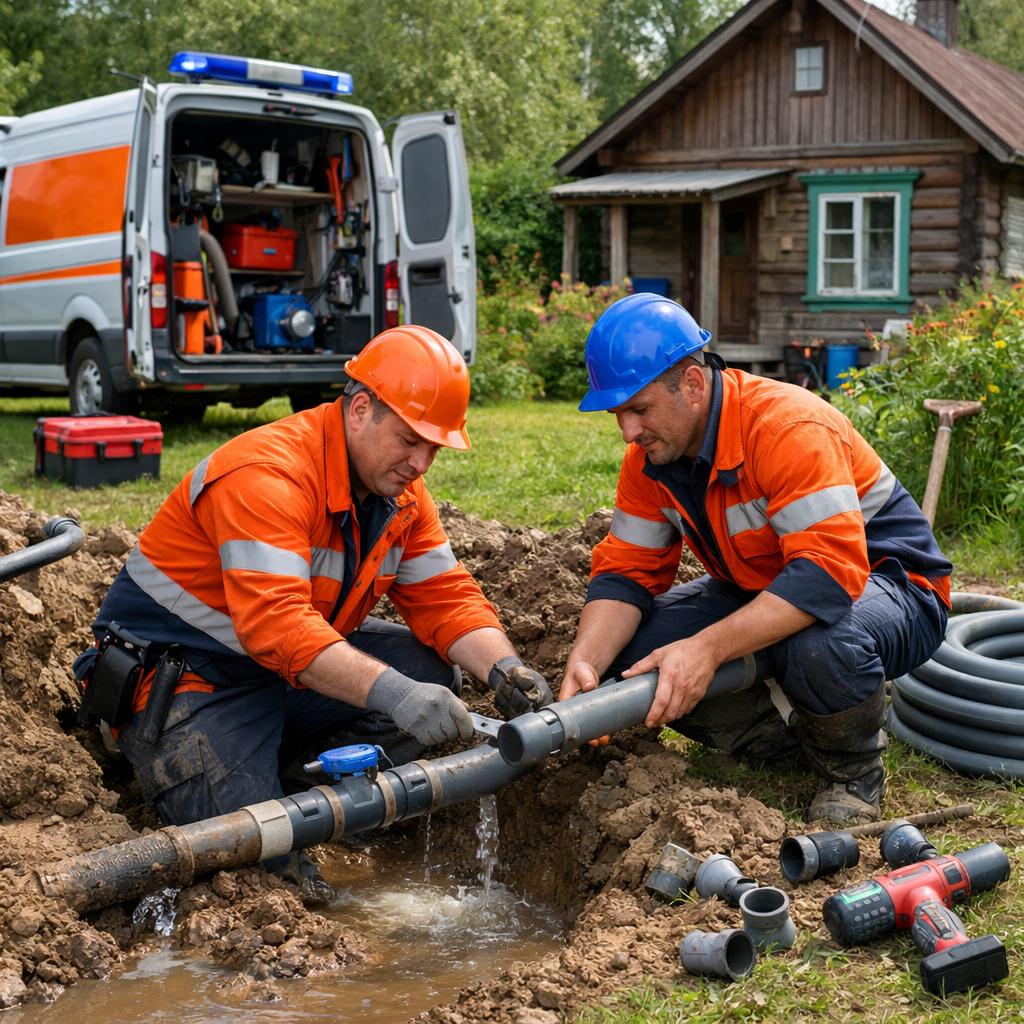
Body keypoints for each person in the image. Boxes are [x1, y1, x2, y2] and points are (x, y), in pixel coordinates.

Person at [75, 326, 552, 895]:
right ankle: (223, 775)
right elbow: (277, 625)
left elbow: (445, 595)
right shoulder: (267, 475)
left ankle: (293, 780)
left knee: (429, 670)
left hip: (284, 667)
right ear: (359, 410)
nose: (421, 462)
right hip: (190, 679)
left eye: (434, 448)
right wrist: (393, 693)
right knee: (264, 860)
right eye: (409, 439)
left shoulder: (398, 494)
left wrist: (504, 668)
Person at [560, 293, 951, 823]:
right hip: (763, 586)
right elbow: (626, 575)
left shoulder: (787, 428)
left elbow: (826, 580)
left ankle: (851, 772)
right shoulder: (651, 459)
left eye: (639, 408)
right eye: (618, 414)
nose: (629, 432)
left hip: (891, 586)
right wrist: (587, 664)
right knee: (638, 654)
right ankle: (786, 739)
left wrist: (706, 649)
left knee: (819, 642)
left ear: (693, 385)